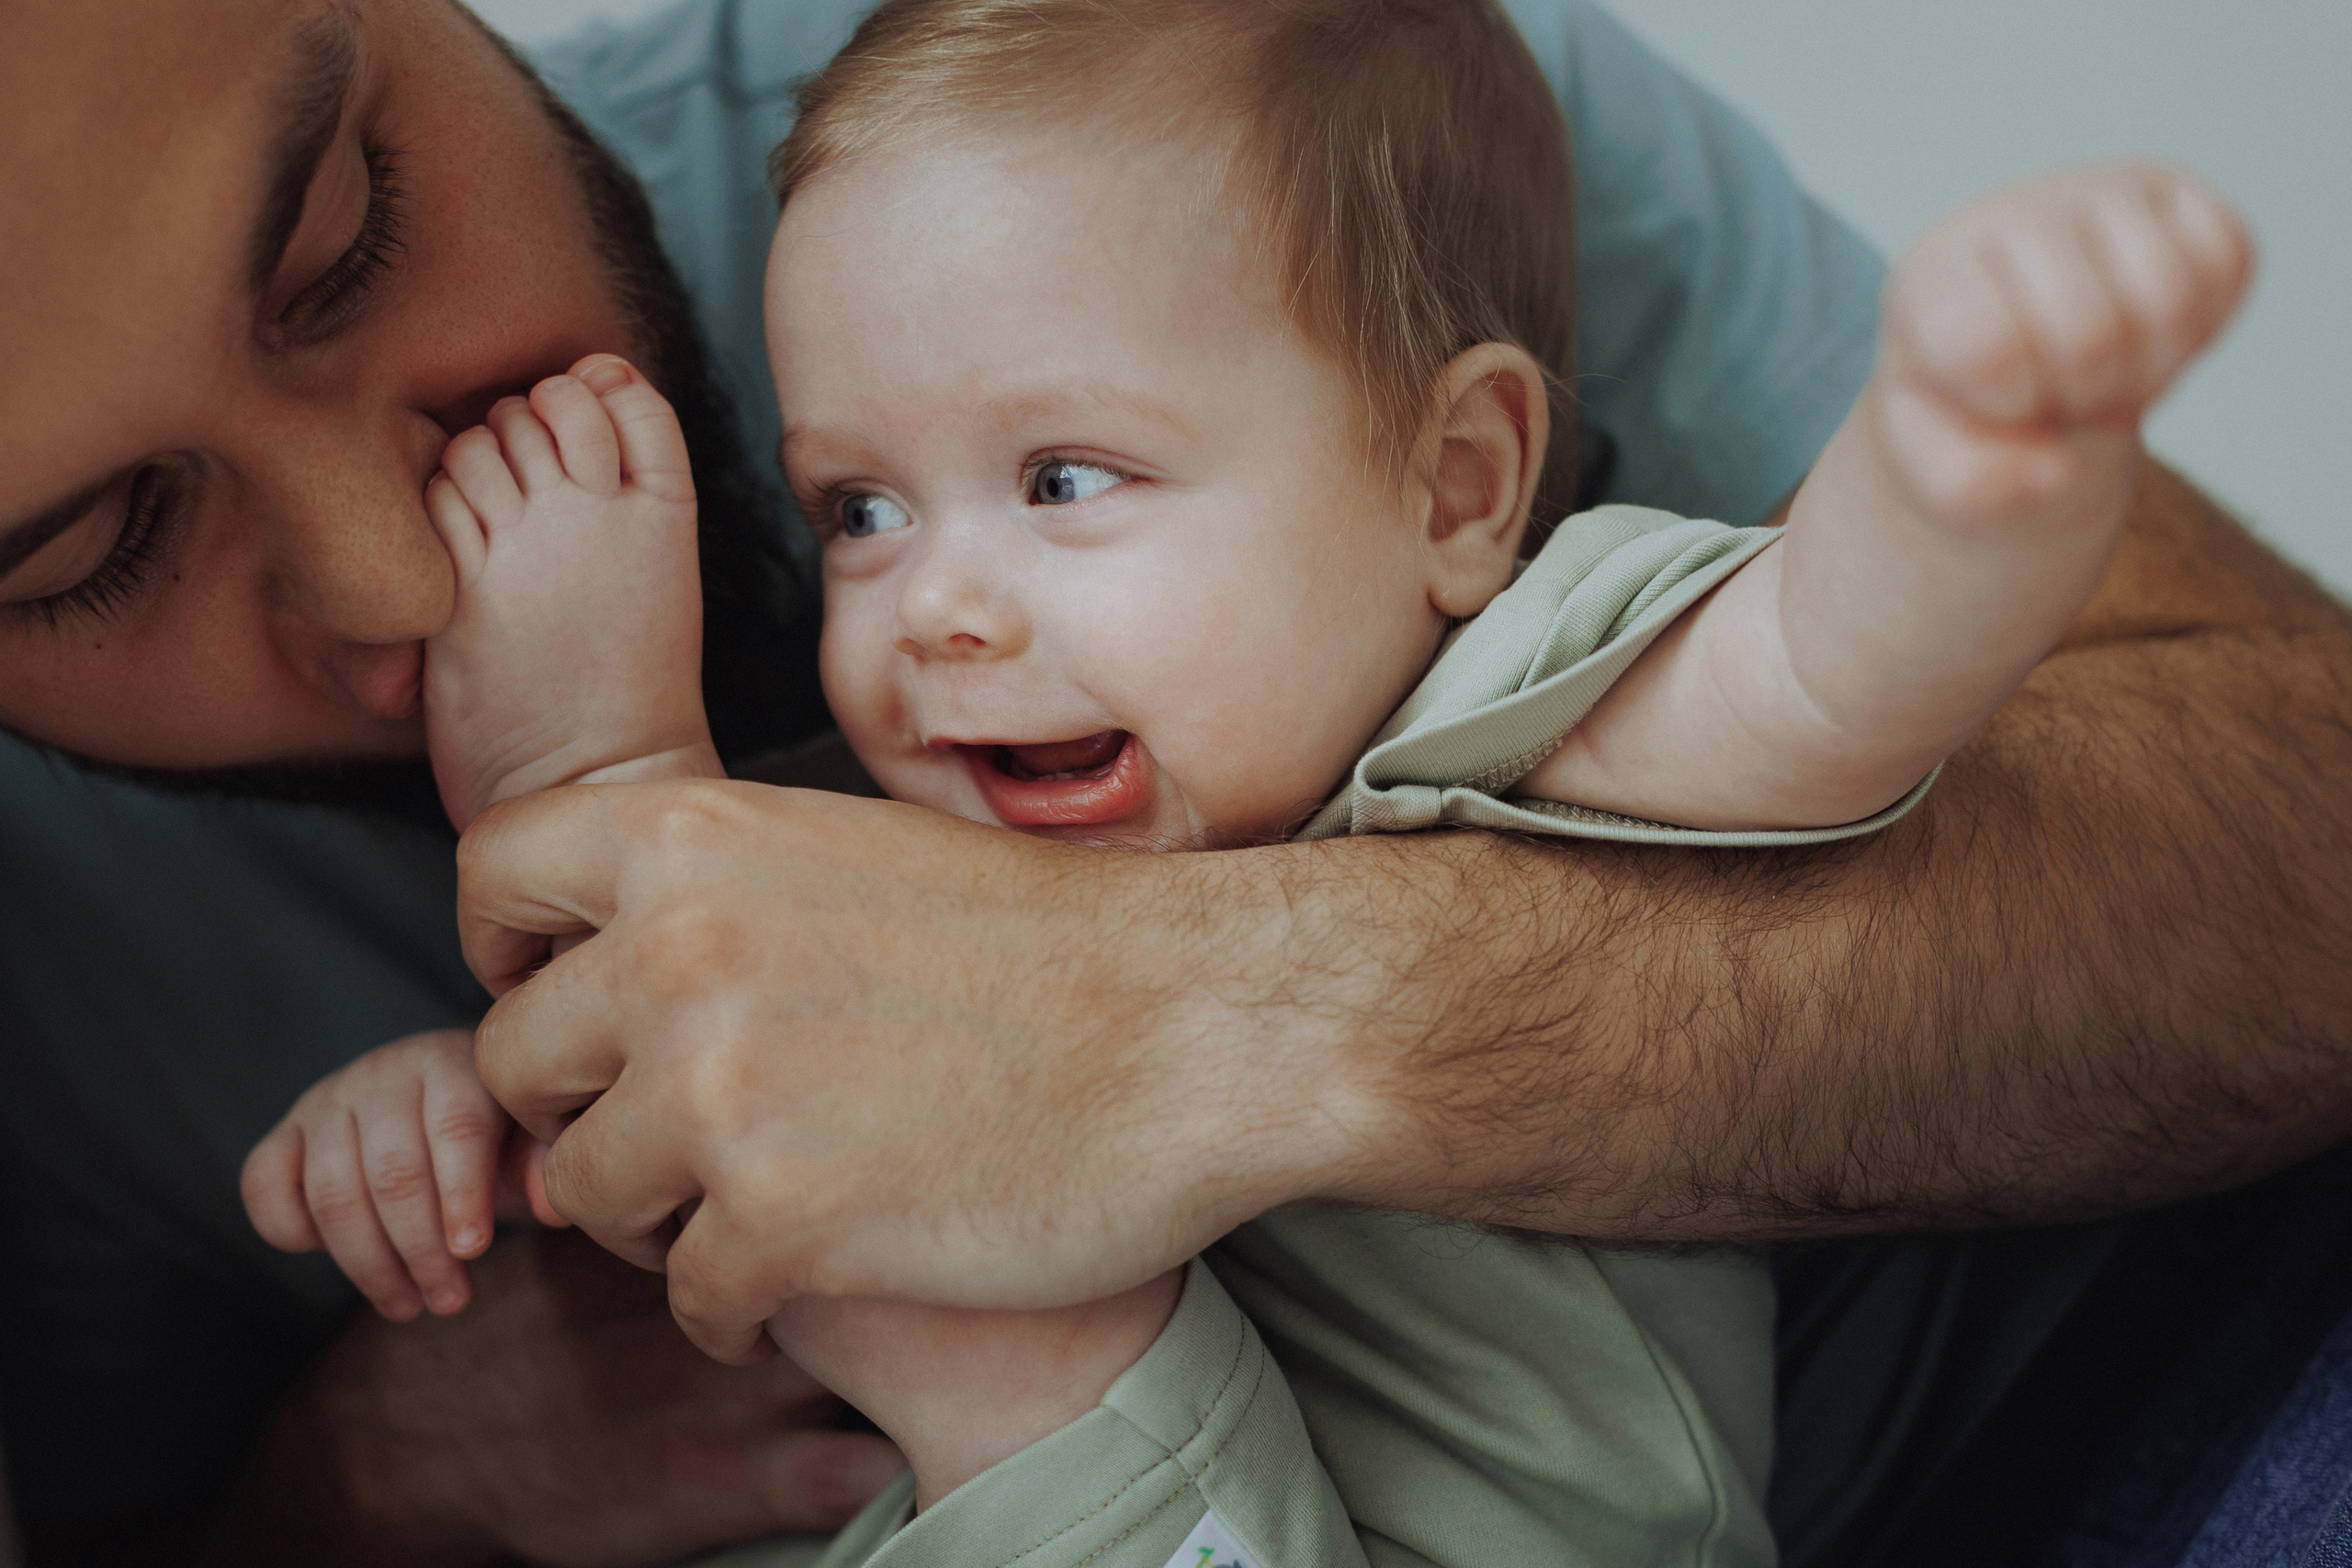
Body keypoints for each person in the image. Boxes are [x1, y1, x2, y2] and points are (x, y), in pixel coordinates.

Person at [0, 0, 2342, 1563]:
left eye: (346, 242)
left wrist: (1964, 464)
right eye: (857, 513)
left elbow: (1839, 675)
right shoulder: (887, 791)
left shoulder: (1178, 114)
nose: (401, 564)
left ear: (1454, 481)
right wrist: (407, 1305)